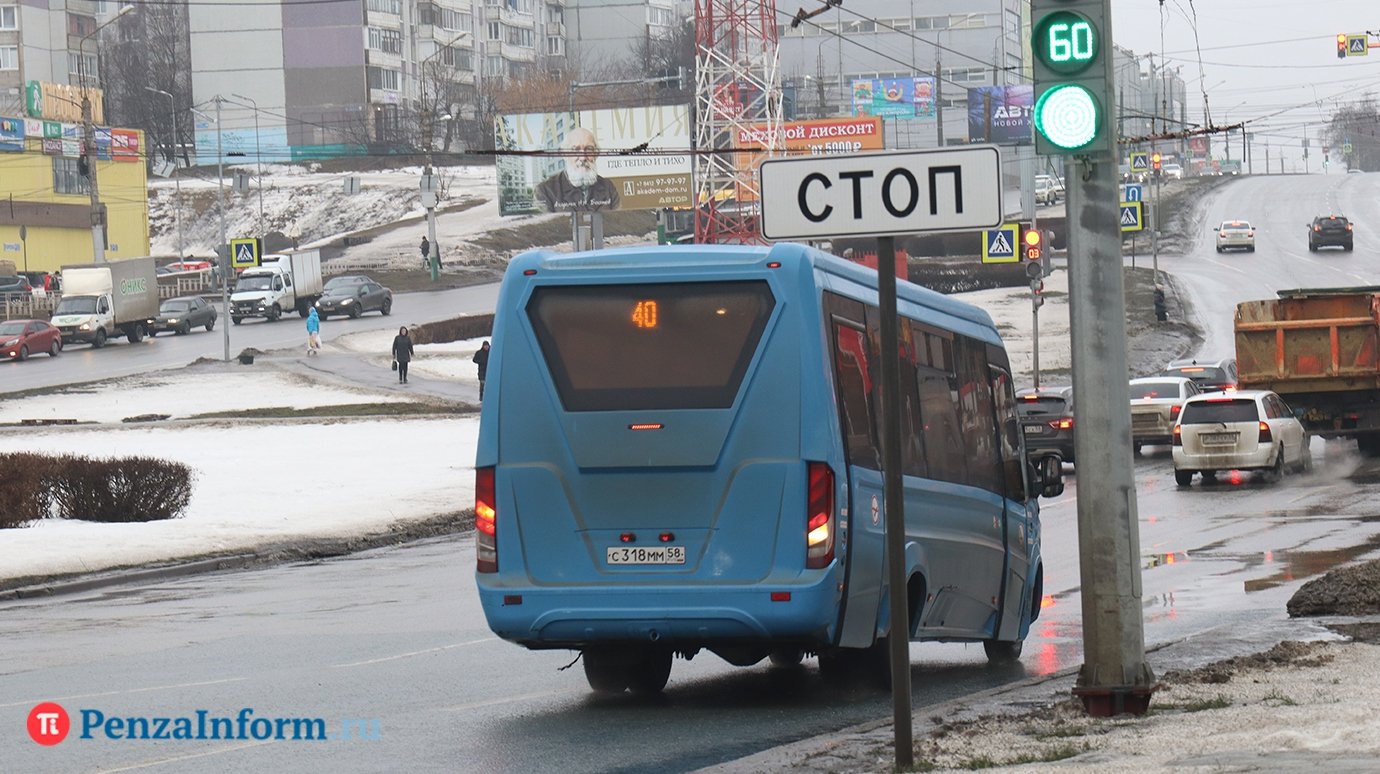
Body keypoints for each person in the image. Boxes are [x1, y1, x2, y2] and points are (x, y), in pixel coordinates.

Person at [535, 127, 621, 213]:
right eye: (575, 149)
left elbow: (618, 224)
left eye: (589, 149)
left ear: (596, 154)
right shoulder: (545, 191)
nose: (583, 157)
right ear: (564, 154)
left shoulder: (608, 187)